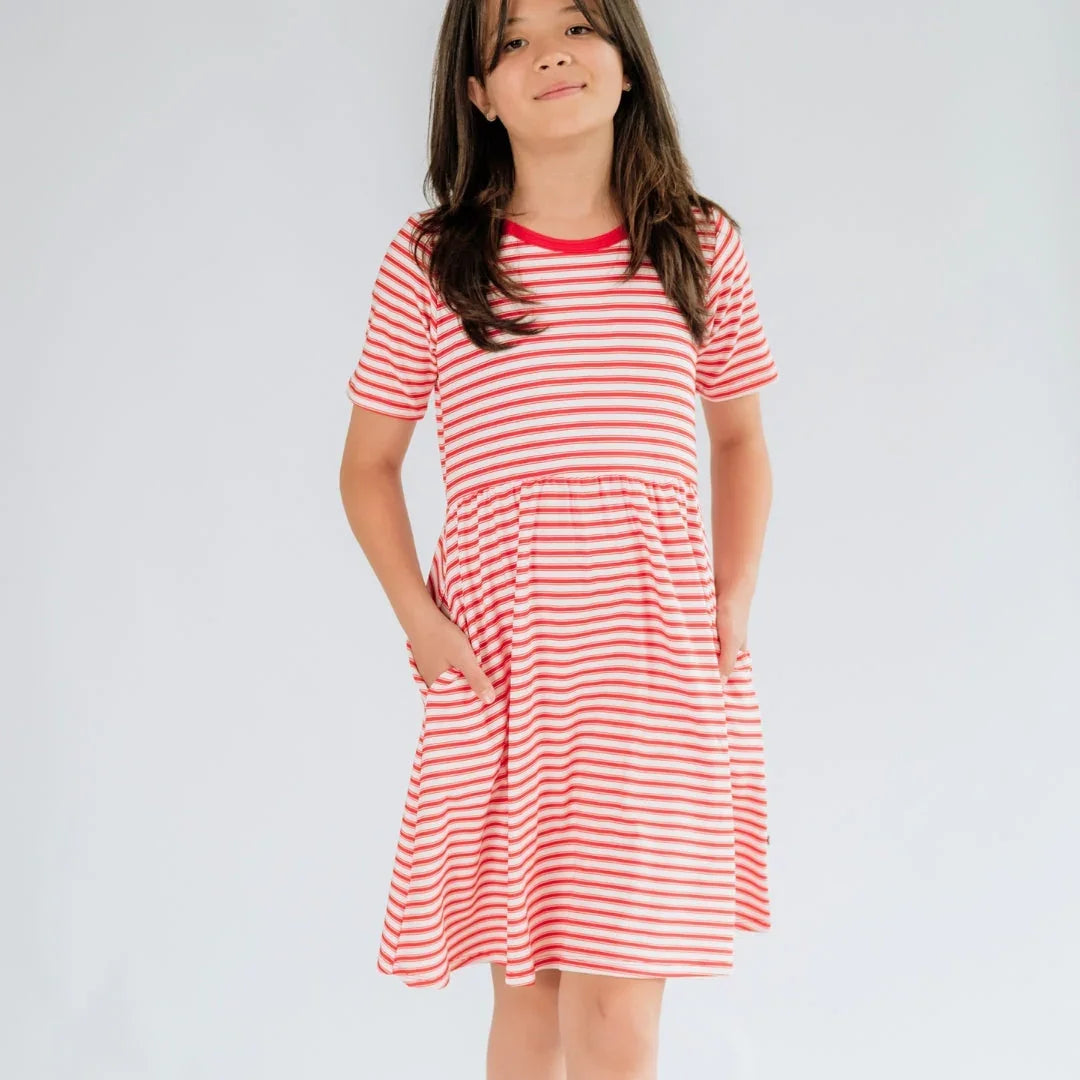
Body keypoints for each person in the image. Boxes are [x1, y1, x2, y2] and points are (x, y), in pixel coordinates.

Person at [339, 0, 778, 1076]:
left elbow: (741, 440)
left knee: (621, 1012)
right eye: (512, 42)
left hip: (653, 669)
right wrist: (421, 622)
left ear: (628, 66)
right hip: (507, 668)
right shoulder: (434, 260)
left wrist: (729, 602)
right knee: (529, 1000)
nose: (551, 56)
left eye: (578, 26)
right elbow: (368, 468)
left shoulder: (696, 244)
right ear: (478, 95)